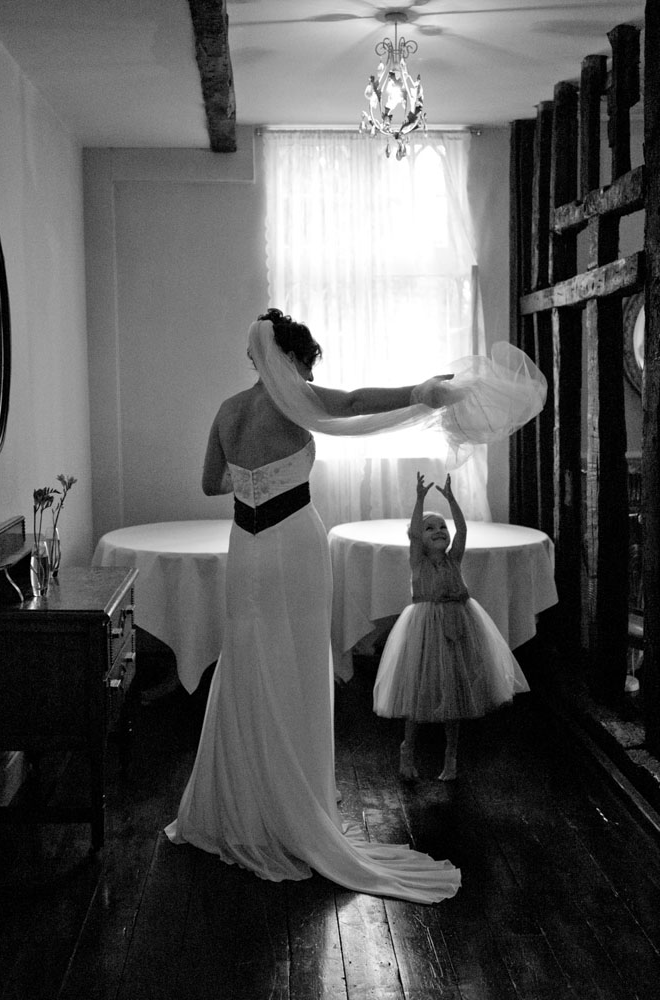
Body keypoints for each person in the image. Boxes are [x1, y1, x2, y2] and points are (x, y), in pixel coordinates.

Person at [166, 307, 545, 905]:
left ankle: (239, 801)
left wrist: (250, 480)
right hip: (293, 543)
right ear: (289, 359)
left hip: (246, 547)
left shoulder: (227, 411)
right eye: (303, 363)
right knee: (296, 664)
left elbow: (210, 484)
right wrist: (422, 392)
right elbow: (357, 403)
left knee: (246, 660)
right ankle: (297, 803)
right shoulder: (298, 403)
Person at [373, 471, 530, 783]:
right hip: (425, 629)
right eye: (430, 528)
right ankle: (408, 749)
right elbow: (415, 536)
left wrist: (452, 500)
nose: (439, 531)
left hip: (458, 625)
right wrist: (419, 500)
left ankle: (451, 755)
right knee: (417, 692)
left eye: (442, 526)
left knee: (456, 692)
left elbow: (463, 532)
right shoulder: (417, 562)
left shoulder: (454, 560)